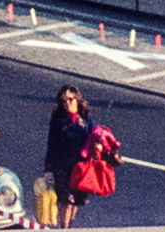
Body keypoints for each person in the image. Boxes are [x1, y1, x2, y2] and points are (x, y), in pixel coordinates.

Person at [43, 85, 106, 227]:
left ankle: (70, 227)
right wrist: (48, 169)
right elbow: (51, 144)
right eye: (64, 101)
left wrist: (98, 144)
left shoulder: (85, 118)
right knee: (67, 200)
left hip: (81, 166)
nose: (67, 104)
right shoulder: (58, 120)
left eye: (70, 100)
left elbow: (92, 136)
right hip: (62, 166)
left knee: (77, 201)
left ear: (77, 99)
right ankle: (64, 228)